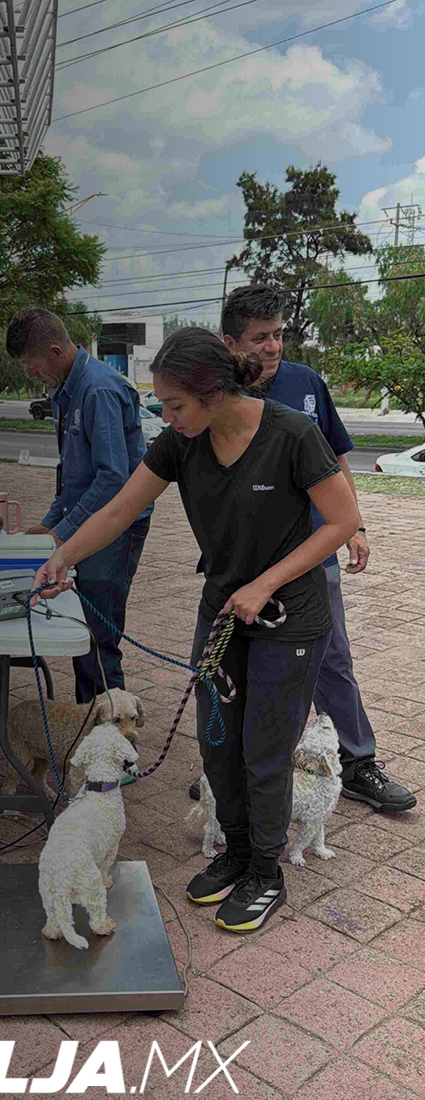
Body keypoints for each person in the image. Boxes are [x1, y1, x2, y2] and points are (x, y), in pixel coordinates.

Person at [31, 329, 359, 932]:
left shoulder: (291, 435)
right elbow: (119, 508)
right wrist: (64, 557)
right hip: (223, 614)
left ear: (214, 393)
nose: (165, 415)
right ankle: (235, 851)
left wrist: (264, 583)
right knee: (217, 742)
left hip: (289, 617)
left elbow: (342, 522)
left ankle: (266, 870)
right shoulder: (181, 443)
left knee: (263, 747)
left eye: (175, 404)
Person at [215, 284, 416, 813]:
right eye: (260, 338)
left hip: (313, 553)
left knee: (333, 659)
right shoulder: (215, 392)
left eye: (278, 335)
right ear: (230, 342)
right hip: (247, 562)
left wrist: (353, 524)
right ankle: (229, 770)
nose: (273, 347)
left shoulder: (306, 383)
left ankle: (358, 763)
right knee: (239, 665)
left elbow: (335, 457)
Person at [6, 309, 151, 703]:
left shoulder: (98, 390)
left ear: (55, 351)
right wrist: (49, 524)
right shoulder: (68, 390)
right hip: (87, 522)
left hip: (114, 528)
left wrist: (62, 534)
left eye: (33, 368)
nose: (32, 376)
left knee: (98, 637)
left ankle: (113, 744)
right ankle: (90, 723)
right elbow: (71, 475)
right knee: (80, 631)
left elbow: (111, 480)